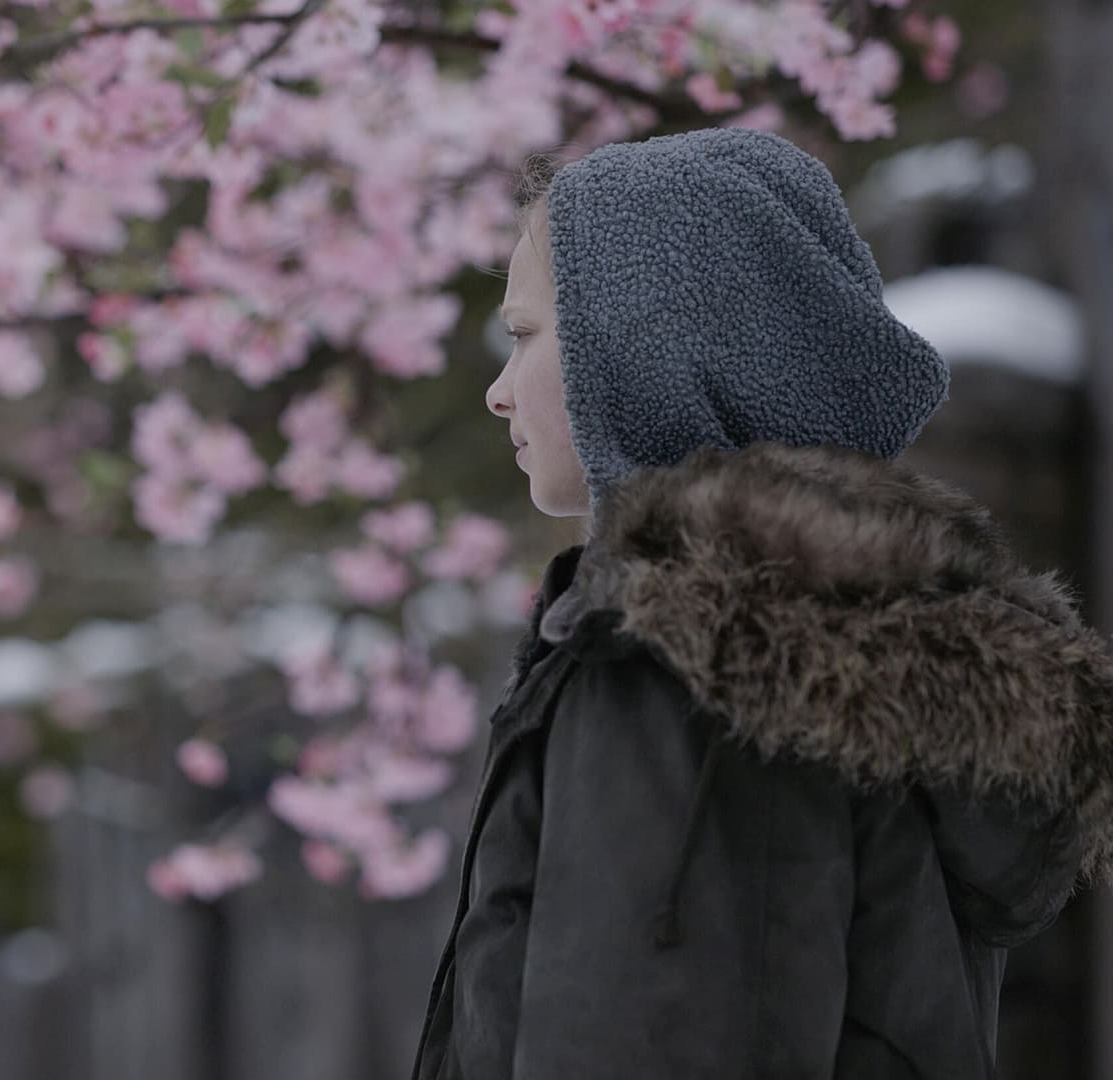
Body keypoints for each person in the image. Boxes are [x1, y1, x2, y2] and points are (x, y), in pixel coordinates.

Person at [409, 126, 1113, 1079]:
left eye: (526, 334)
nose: (498, 394)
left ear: (645, 351)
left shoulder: (694, 665)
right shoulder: (841, 653)